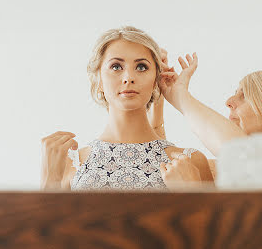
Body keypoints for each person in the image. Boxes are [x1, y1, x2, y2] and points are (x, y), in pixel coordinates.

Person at [40, 27, 213, 190]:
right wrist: (50, 179)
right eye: (116, 67)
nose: (129, 77)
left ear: (156, 80)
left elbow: (215, 223)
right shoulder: (68, 164)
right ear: (98, 79)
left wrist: (190, 194)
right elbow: (45, 223)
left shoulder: (191, 162)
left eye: (141, 67)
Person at [158, 53, 262, 186]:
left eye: (245, 95)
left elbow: (240, 151)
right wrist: (159, 91)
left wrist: (180, 96)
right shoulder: (212, 170)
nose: (229, 101)